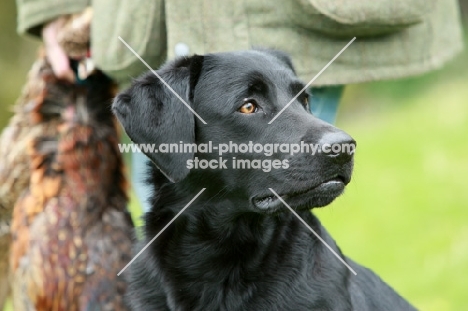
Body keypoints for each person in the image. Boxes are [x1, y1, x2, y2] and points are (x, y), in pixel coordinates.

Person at [16, 0, 464, 212]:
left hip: (297, 19)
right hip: (151, 24)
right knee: (181, 220)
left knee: (288, 225)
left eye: (299, 100)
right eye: (251, 106)